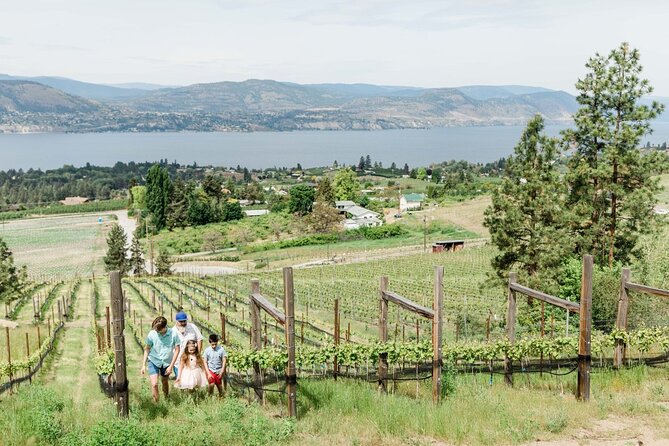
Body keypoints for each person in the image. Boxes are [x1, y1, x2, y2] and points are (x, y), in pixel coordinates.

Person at [140, 316, 180, 403]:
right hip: (153, 360)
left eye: (159, 330)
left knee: (164, 381)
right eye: (156, 330)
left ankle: (166, 398)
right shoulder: (152, 334)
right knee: (154, 384)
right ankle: (157, 404)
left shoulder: (173, 334)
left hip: (166, 363)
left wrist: (171, 366)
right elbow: (147, 348)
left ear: (165, 327)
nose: (157, 332)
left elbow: (177, 350)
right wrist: (143, 365)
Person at [171, 310, 203, 379]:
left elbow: (199, 339)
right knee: (181, 380)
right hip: (178, 362)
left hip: (192, 361)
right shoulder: (172, 332)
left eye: (184, 321)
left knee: (192, 380)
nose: (183, 323)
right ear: (176, 321)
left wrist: (198, 354)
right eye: (180, 322)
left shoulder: (193, 327)